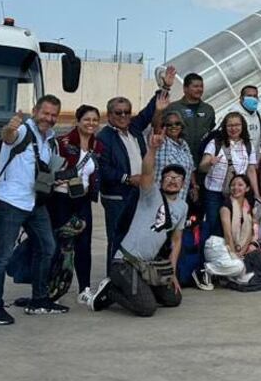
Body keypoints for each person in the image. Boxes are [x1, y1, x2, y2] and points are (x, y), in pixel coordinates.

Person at [79, 134, 186, 317]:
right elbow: (146, 172)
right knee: (147, 308)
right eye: (168, 177)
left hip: (148, 265)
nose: (173, 180)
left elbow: (176, 241)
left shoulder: (183, 206)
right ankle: (111, 290)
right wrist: (152, 149)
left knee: (173, 299)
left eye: (177, 178)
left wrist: (172, 273)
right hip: (126, 262)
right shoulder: (150, 195)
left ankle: (138, 289)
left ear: (183, 183)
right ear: (161, 181)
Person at [0, 97, 64, 324]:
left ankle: (39, 300)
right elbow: (9, 138)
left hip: (34, 203)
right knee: (2, 255)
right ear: (35, 111)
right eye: (45, 113)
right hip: (11, 202)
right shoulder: (23, 131)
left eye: (53, 115)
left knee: (47, 247)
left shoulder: (48, 140)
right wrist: (9, 129)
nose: (49, 119)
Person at [49, 104, 105, 304]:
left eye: (95, 120)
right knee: (60, 245)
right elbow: (48, 171)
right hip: (60, 199)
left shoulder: (97, 147)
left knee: (84, 245)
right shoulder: (61, 143)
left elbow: (97, 174)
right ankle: (52, 290)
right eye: (87, 119)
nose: (91, 124)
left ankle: (84, 289)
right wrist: (59, 178)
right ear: (77, 121)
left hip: (82, 200)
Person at [97, 91, 160, 265]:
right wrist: (127, 178)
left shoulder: (134, 129)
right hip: (117, 197)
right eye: (118, 112)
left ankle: (130, 278)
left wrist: (164, 88)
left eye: (127, 112)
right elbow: (103, 168)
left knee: (136, 237)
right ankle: (113, 280)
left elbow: (148, 112)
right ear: (110, 115)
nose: (123, 116)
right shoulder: (104, 137)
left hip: (138, 194)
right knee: (117, 238)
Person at [198, 112, 261, 269]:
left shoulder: (247, 145)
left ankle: (230, 260)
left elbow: (251, 170)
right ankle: (209, 263)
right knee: (215, 228)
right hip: (214, 192)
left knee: (235, 229)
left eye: (237, 125)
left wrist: (257, 193)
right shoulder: (215, 143)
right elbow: (202, 166)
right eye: (230, 125)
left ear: (243, 126)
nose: (233, 128)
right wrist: (210, 162)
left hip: (236, 195)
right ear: (224, 127)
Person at [165, 69, 216, 156]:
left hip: (202, 159)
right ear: (185, 88)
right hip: (179, 158)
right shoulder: (173, 108)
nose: (199, 89)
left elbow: (211, 132)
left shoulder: (208, 109)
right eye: (195, 86)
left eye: (201, 86)